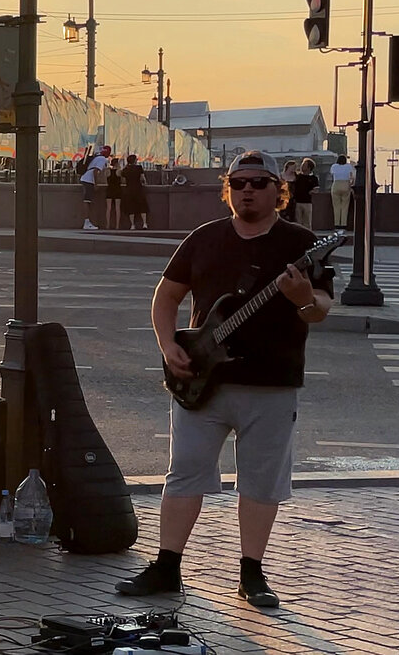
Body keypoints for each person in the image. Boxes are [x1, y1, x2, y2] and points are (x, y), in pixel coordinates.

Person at [117, 150, 333, 608]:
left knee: (260, 482)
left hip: (271, 383)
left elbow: (320, 310)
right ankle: (167, 567)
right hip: (201, 381)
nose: (248, 190)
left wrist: (300, 298)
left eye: (259, 182)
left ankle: (252, 573)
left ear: (280, 190)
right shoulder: (204, 238)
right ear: (227, 189)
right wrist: (167, 344)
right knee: (184, 474)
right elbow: (166, 296)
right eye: (239, 183)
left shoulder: (301, 242)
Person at [78, 146, 110, 230]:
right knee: (87, 201)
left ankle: (88, 222)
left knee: (88, 201)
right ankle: (87, 222)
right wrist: (96, 183)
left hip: (85, 178)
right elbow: (96, 170)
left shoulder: (97, 157)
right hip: (89, 180)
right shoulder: (102, 159)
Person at [121, 155, 149, 230]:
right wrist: (145, 183)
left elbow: (123, 181)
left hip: (129, 190)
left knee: (131, 208)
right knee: (142, 206)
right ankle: (144, 223)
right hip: (138, 189)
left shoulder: (125, 169)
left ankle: (132, 225)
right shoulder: (139, 168)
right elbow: (142, 178)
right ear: (134, 161)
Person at [292, 158, 319, 231]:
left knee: (307, 222)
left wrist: (312, 191)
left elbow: (316, 189)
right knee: (298, 222)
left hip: (307, 202)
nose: (302, 166)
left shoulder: (313, 178)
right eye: (302, 164)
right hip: (298, 202)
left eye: (304, 165)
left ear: (309, 168)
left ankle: (308, 237)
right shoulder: (298, 177)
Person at [329, 155, 353, 232]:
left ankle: (337, 225)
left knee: (336, 206)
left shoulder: (334, 166)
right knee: (345, 206)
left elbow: (332, 175)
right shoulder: (348, 166)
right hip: (346, 185)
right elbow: (352, 176)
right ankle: (343, 225)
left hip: (336, 185)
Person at [105, 158, 123, 230]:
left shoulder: (107, 171)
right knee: (117, 208)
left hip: (109, 189)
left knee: (108, 208)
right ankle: (117, 225)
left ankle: (107, 225)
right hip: (117, 190)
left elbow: (105, 179)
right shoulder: (119, 171)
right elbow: (122, 180)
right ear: (117, 163)